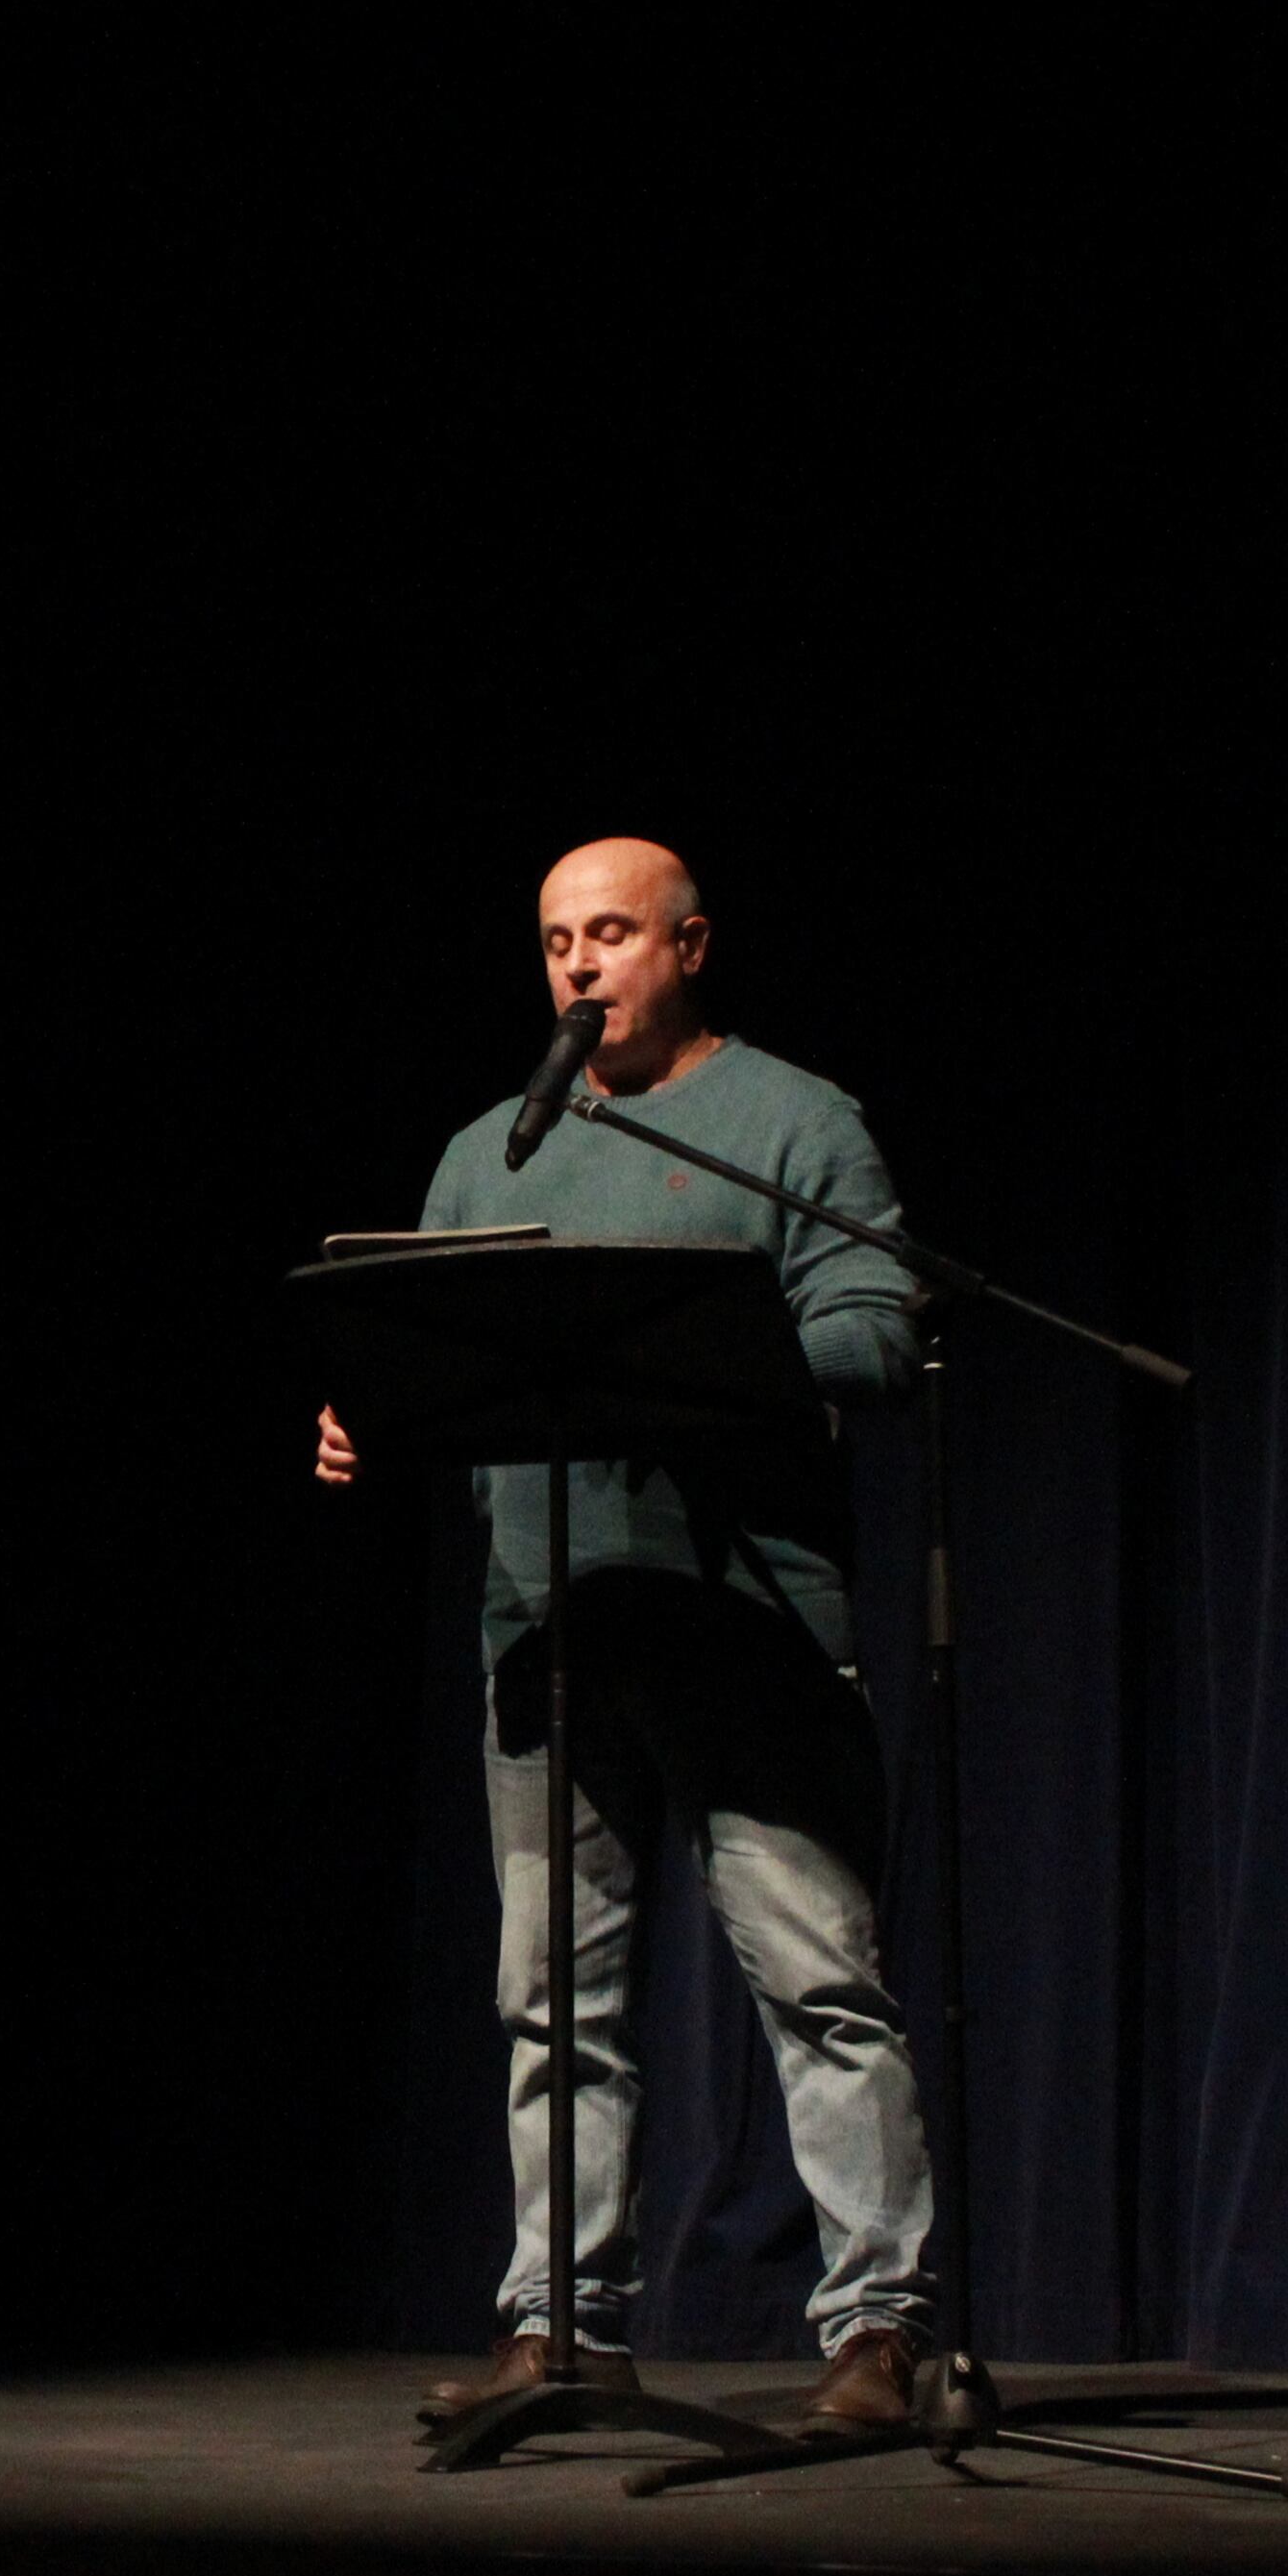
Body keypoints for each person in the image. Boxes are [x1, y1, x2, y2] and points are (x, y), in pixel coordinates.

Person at [314, 837, 939, 2435]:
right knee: (551, 2003)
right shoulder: (493, 1149)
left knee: (818, 1980)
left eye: (611, 933)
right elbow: (424, 1348)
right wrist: (373, 1419)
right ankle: (563, 2324)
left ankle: (880, 2329)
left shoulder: (792, 1122)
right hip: (549, 1627)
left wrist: (716, 1356)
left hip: (745, 1625)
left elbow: (875, 1332)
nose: (580, 965)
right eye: (555, 941)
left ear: (690, 944)